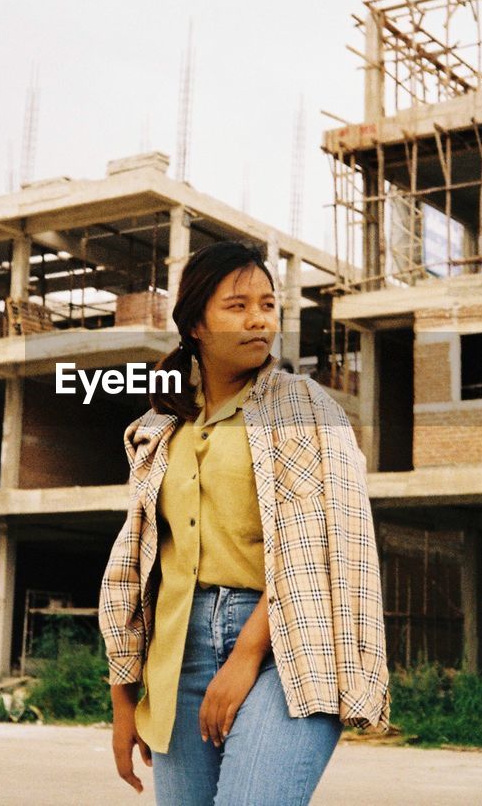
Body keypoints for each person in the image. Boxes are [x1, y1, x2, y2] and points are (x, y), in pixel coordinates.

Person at [98, 241, 389, 805]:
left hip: (290, 642)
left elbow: (316, 546)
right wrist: (123, 700)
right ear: (195, 326)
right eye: (237, 305)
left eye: (268, 304)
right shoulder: (160, 427)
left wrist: (247, 655)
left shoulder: (305, 408)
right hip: (178, 651)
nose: (258, 319)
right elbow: (135, 565)